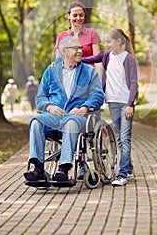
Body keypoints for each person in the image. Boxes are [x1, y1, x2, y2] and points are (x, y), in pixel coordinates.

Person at [24, 35, 104, 182]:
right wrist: (49, 106)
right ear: (64, 51)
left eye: (80, 47)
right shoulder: (50, 71)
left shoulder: (89, 71)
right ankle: (38, 169)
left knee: (71, 123)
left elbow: (98, 95)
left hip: (77, 116)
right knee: (36, 121)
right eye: (75, 48)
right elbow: (40, 97)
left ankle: (64, 169)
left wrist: (86, 107)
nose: (80, 51)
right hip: (55, 116)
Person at [82, 28, 138, 186]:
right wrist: (68, 60)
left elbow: (134, 83)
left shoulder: (128, 59)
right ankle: (128, 168)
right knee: (120, 139)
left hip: (125, 104)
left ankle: (122, 175)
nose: (106, 45)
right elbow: (88, 59)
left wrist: (130, 105)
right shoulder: (106, 56)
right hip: (112, 102)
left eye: (109, 41)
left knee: (125, 139)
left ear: (119, 41)